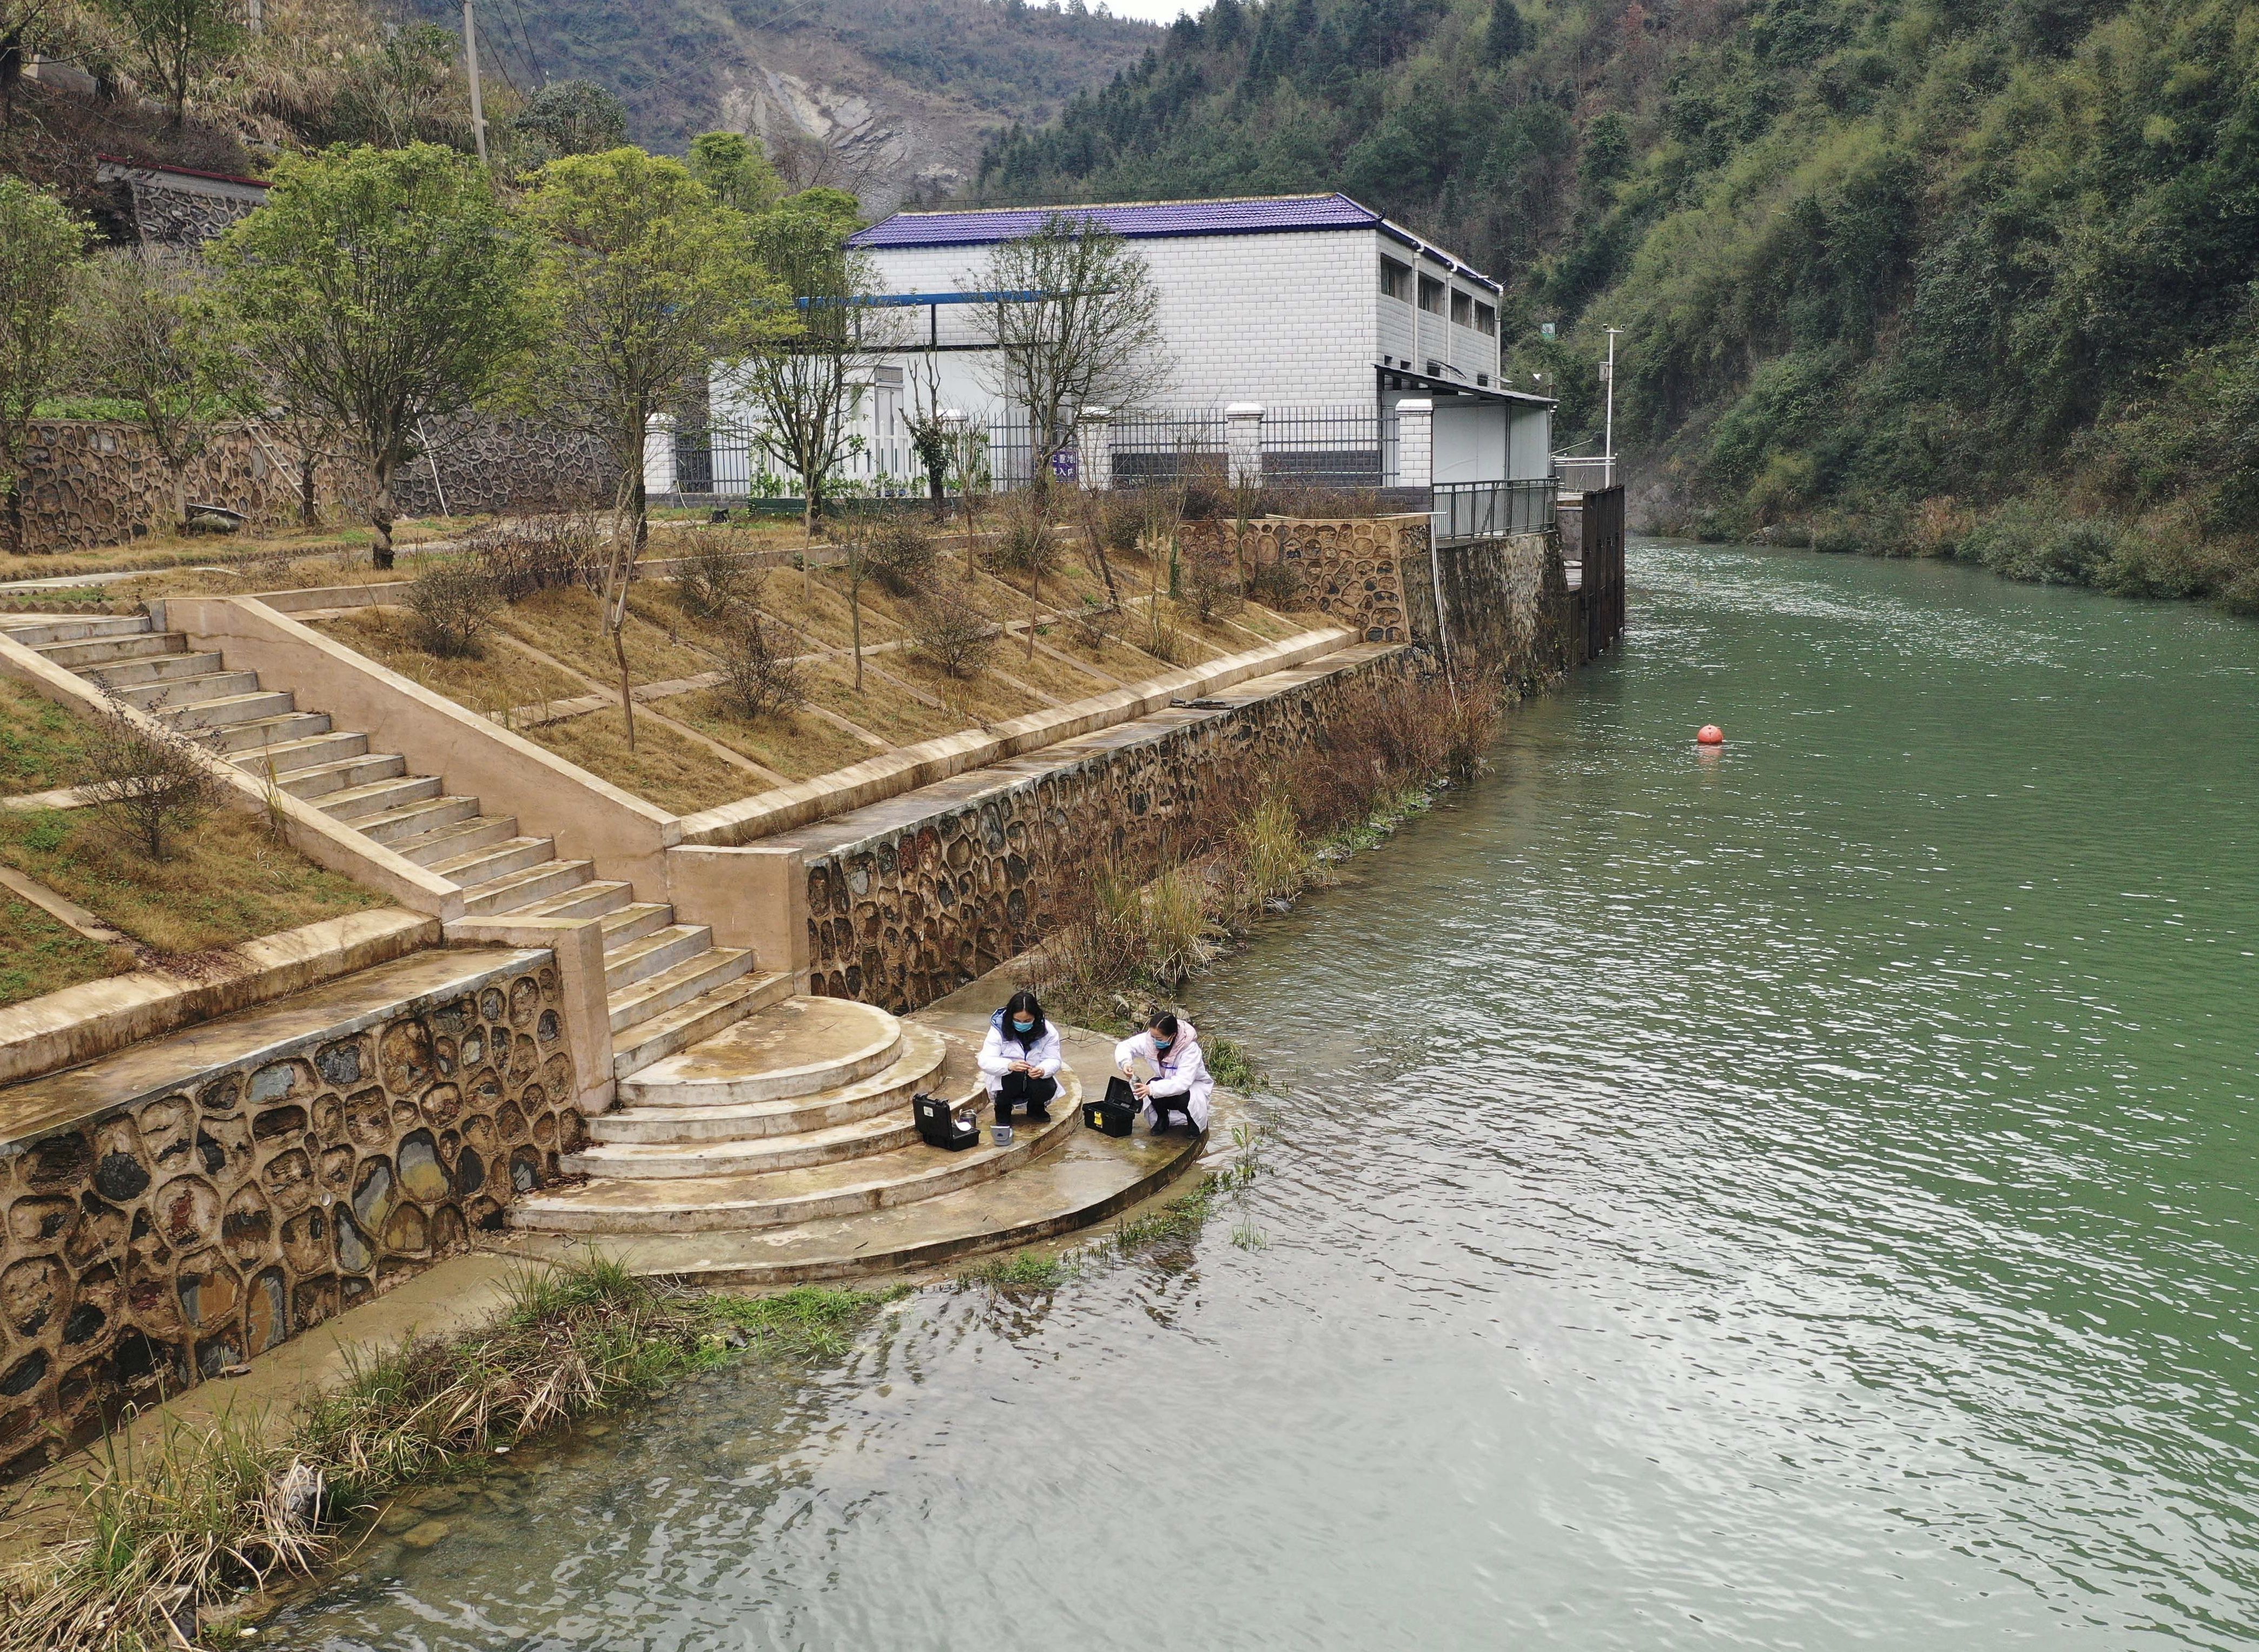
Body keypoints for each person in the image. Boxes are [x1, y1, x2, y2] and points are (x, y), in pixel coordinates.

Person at [1112, 1010, 1213, 1134]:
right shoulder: (1150, 1040)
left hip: (1192, 1087)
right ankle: (1163, 1118)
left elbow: (1183, 1082)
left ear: (1173, 1035)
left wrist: (1152, 1089)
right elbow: (1125, 1046)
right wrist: (1126, 1063)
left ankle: (1192, 1121)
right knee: (1151, 1085)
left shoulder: (1190, 1050)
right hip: (1167, 1082)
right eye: (1153, 1037)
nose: (1154, 1042)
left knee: (1172, 1093)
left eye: (1159, 1039)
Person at [978, 990, 1064, 1125]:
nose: (1022, 1024)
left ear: (1035, 1017)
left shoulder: (1048, 1031)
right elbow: (985, 1061)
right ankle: (1003, 1110)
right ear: (1010, 1017)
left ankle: (1036, 1108)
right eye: (1017, 1021)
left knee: (1048, 1086)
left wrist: (1043, 1070)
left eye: (1027, 1021)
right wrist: (1009, 1066)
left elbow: (1054, 1059)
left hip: (1033, 1075)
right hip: (1008, 1077)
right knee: (1010, 1079)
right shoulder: (998, 1030)